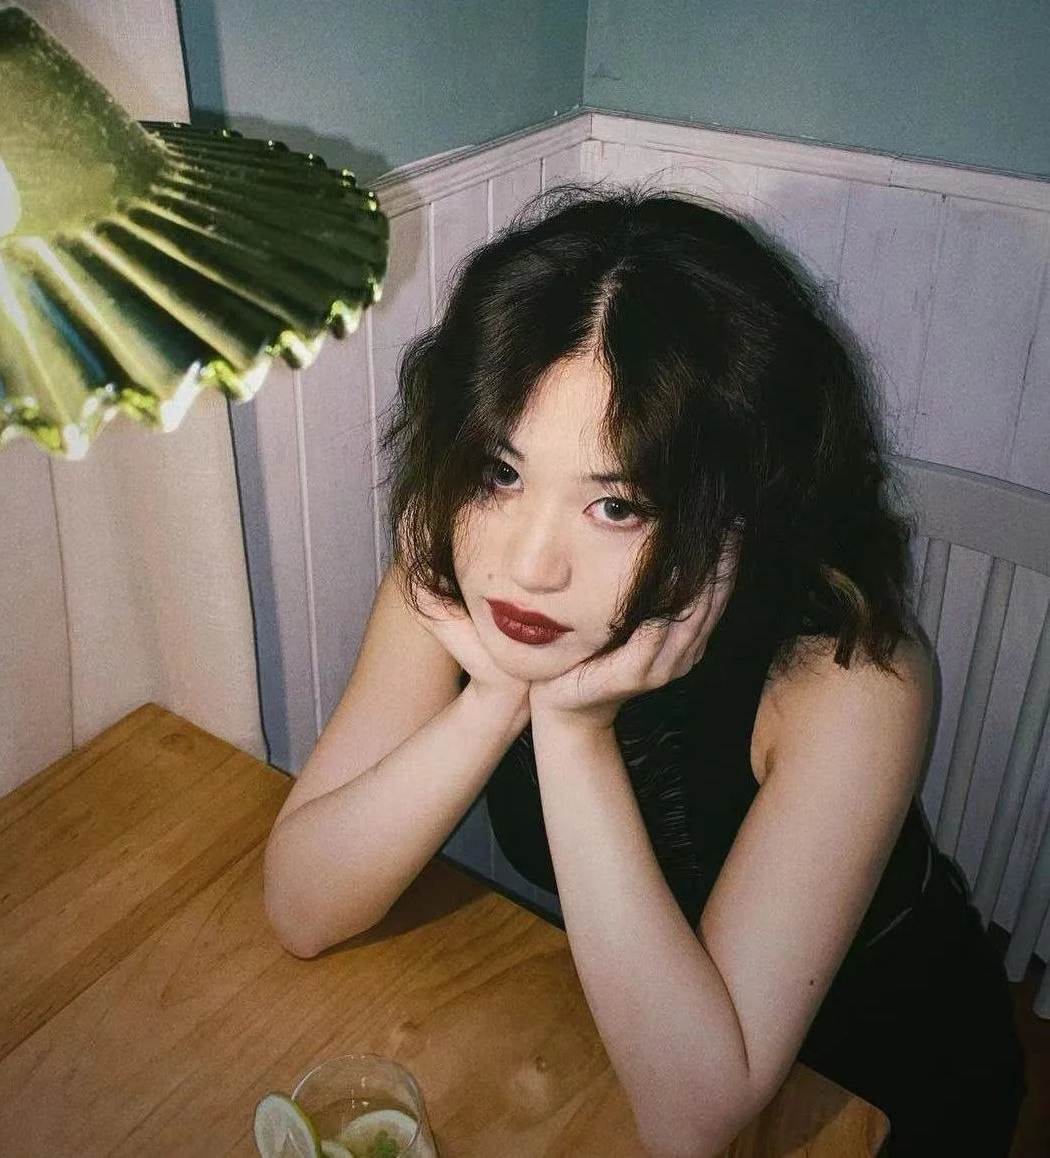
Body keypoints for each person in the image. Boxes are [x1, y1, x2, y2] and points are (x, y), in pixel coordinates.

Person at [262, 190, 1024, 1157]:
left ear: (735, 509)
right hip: (630, 1034)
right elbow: (301, 908)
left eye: (616, 504)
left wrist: (575, 735)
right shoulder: (468, 581)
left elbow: (696, 1117)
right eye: (502, 473)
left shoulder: (850, 673)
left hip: (874, 1081)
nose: (530, 565)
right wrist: (493, 698)